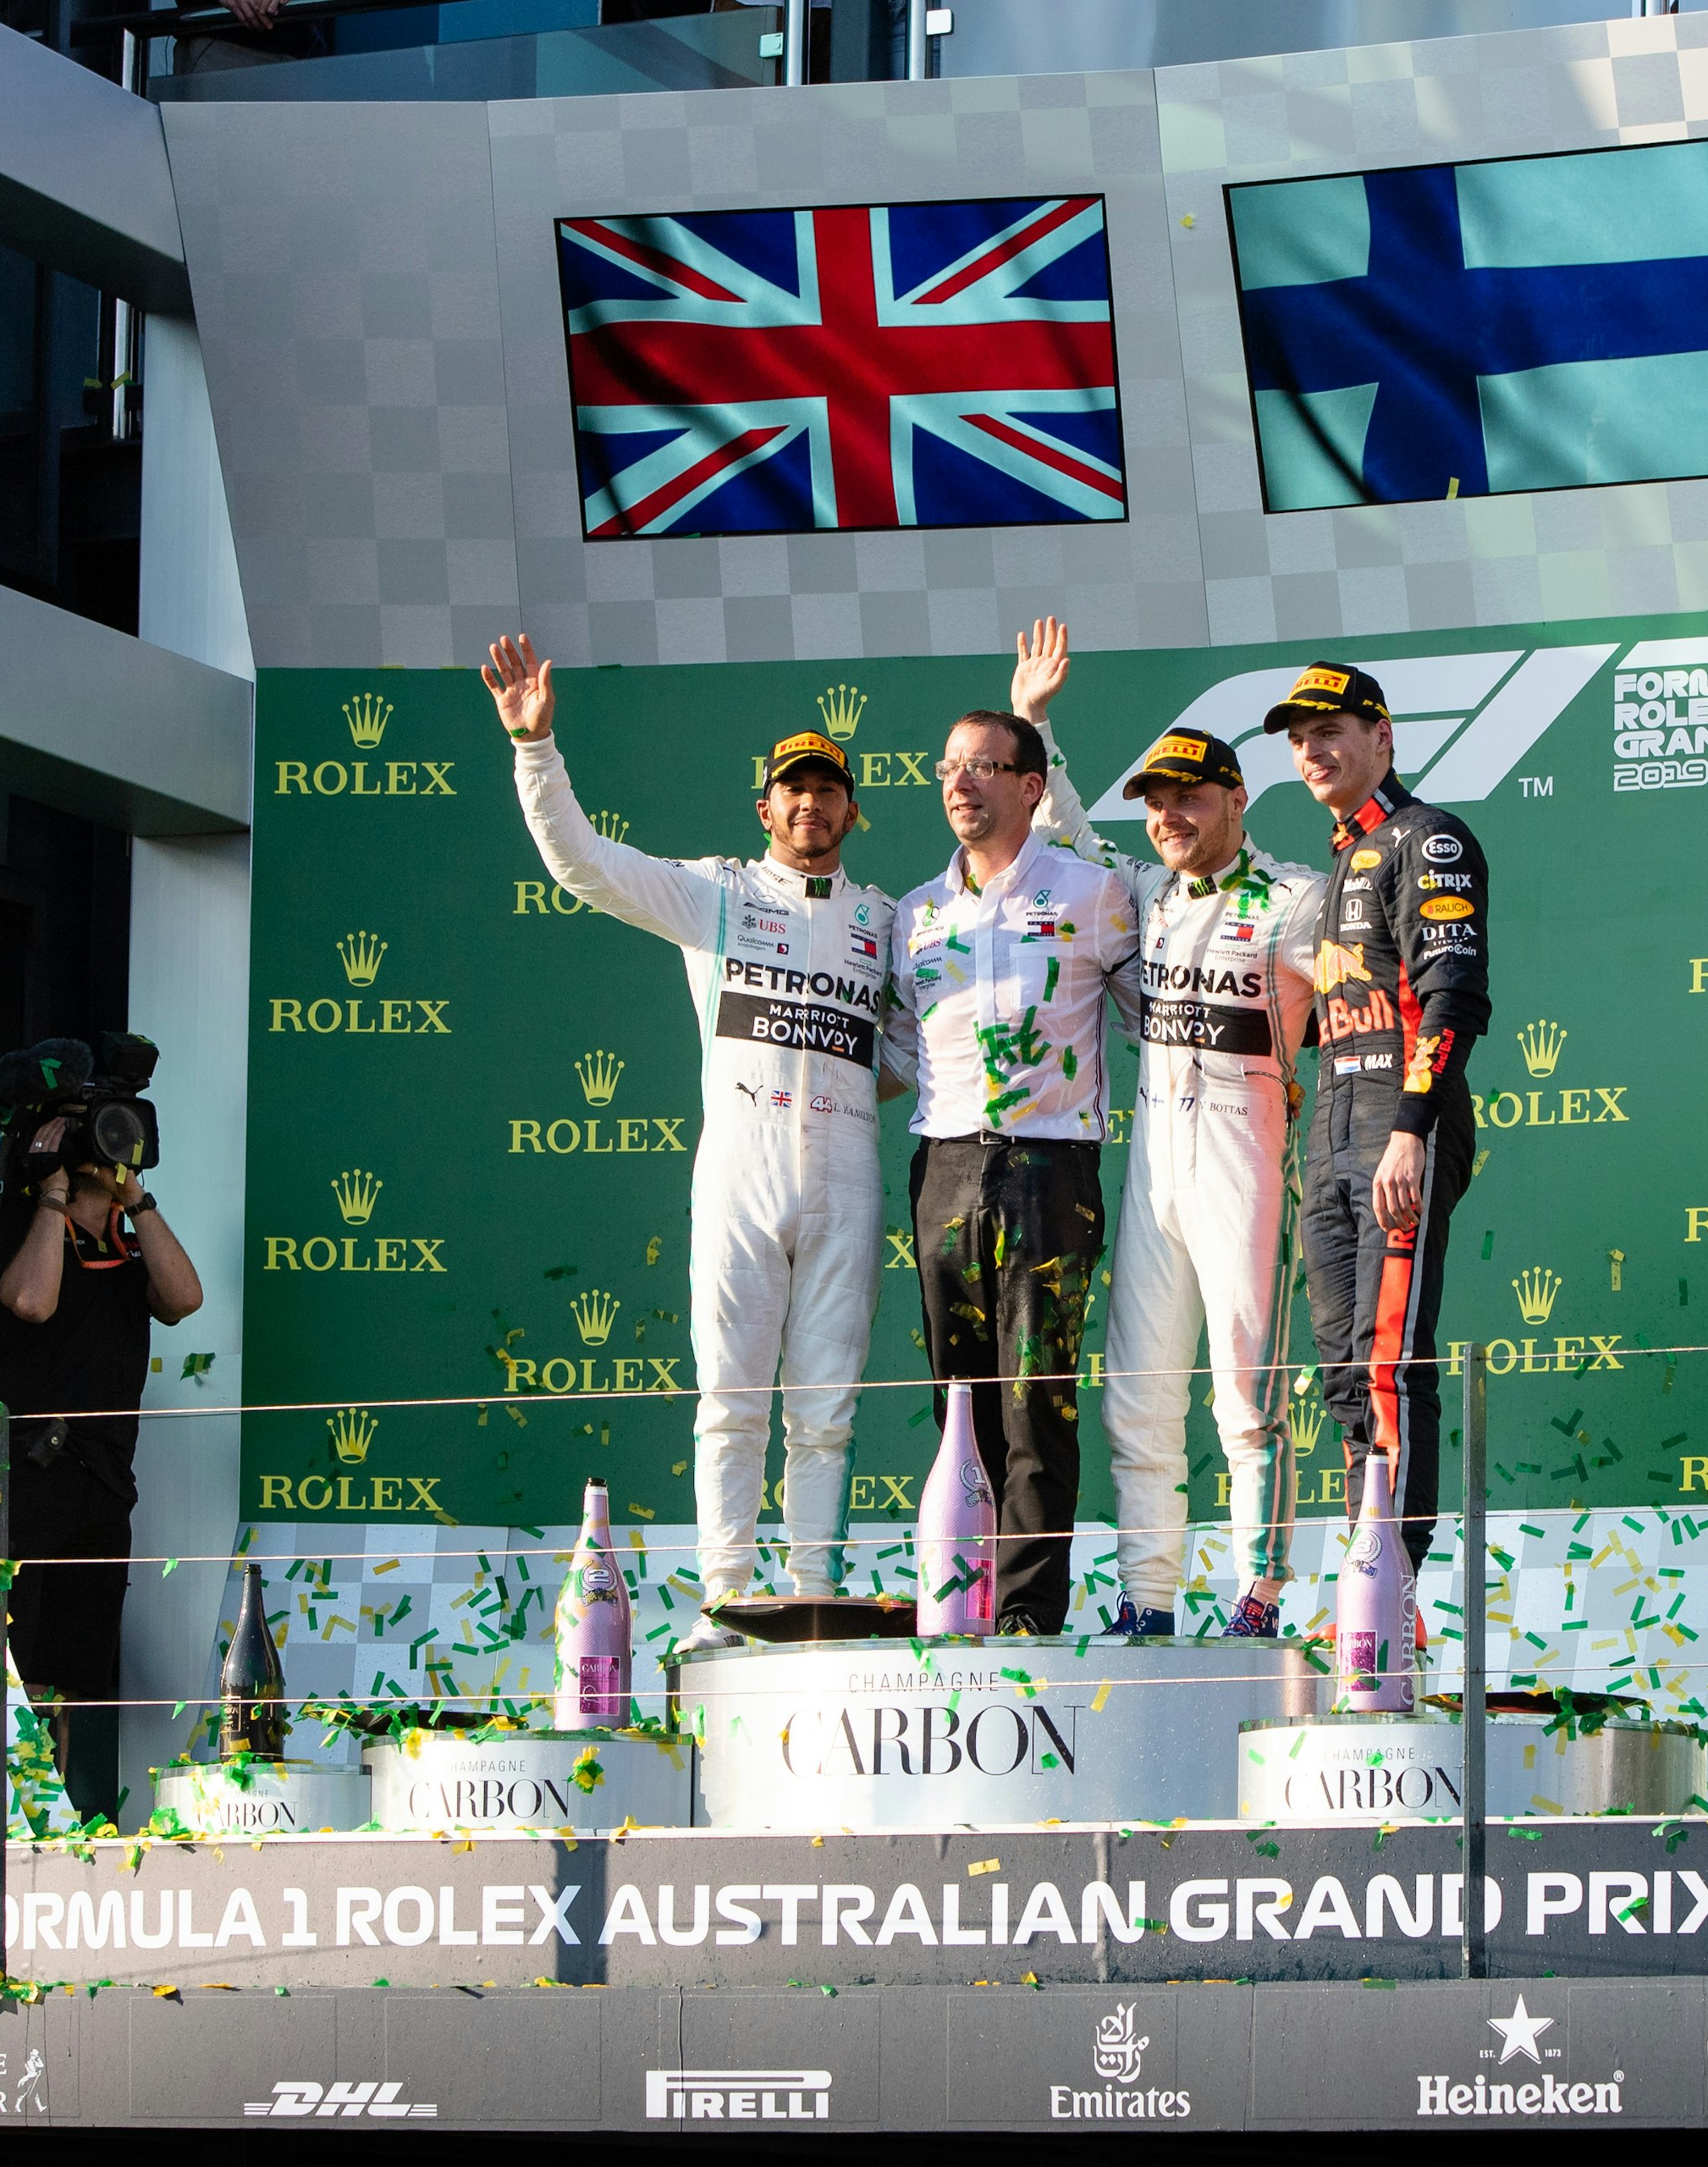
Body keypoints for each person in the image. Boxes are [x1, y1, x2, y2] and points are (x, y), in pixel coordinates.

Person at [485, 632, 901, 1647]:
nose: (811, 805)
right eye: (792, 791)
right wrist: (535, 750)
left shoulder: (888, 919)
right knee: (730, 1399)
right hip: (740, 1173)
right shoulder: (717, 894)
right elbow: (583, 865)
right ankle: (722, 1601)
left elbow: (915, 1057)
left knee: (828, 1411)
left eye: (828, 790)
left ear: (852, 809)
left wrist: (849, 1082)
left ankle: (809, 1598)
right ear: (766, 809)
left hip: (847, 1172)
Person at [1006, 620, 1321, 1639]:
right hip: (1153, 1161)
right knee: (1138, 1399)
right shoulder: (1133, 891)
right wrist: (1035, 721)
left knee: (1244, 1397)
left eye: (1191, 796)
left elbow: (1363, 1004)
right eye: (1156, 802)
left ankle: (1261, 1596)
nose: (1171, 815)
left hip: (1249, 1156)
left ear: (1237, 797)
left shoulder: (1299, 898)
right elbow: (1062, 830)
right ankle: (1146, 1598)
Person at [893, 704, 1138, 1635]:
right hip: (945, 1168)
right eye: (950, 766)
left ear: (1031, 788)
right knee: (961, 1402)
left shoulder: (1092, 891)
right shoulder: (917, 911)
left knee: (1037, 1402)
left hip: (1050, 1169)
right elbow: (900, 1045)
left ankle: (1032, 1615)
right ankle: (964, 1605)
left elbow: (1150, 1011)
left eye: (985, 767)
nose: (961, 782)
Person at [1271, 663, 1490, 1582]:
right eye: (1299, 737)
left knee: (1389, 1360)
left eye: (1333, 730)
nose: (1314, 749)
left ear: (1383, 737)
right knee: (1342, 1377)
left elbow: (1453, 1000)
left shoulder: (1426, 838)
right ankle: (1370, 1565)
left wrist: (1410, 1127)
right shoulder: (1339, 859)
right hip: (1332, 1137)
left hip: (1400, 1129)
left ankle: (1394, 1580)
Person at [0, 1141, 203, 1820]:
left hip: (105, 1485)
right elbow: (29, 1300)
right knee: (20, 1666)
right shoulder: (22, 1227)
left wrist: (137, 1201)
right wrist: (52, 1193)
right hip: (29, 1476)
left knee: (75, 1673)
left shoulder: (129, 1242)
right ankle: (9, 1813)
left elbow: (185, 1299)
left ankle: (54, 1810)